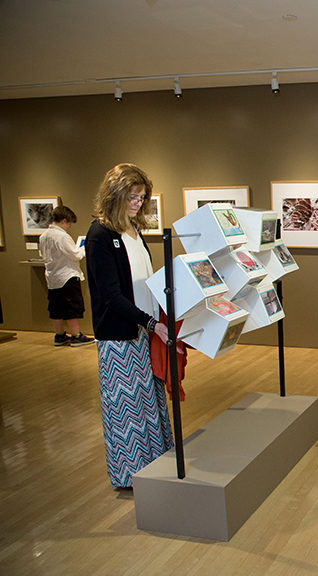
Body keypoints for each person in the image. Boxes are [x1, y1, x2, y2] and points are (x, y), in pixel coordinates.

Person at [85, 163, 174, 488]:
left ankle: (156, 465)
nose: (137, 203)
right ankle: (131, 475)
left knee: (150, 403)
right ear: (115, 195)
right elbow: (110, 295)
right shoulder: (100, 236)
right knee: (128, 409)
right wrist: (149, 322)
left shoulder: (134, 232)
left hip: (144, 331)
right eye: (132, 197)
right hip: (121, 337)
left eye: (141, 198)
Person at [38, 205, 95, 346]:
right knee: (72, 307)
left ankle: (59, 335)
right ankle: (76, 335)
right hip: (67, 276)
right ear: (64, 221)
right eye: (69, 223)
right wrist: (83, 249)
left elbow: (42, 255)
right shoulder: (62, 236)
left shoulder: (43, 236)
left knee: (55, 307)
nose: (69, 226)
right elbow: (75, 255)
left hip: (52, 277)